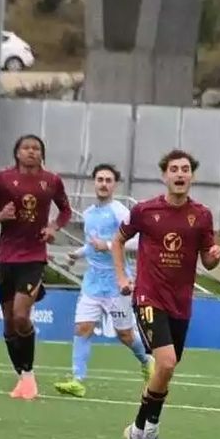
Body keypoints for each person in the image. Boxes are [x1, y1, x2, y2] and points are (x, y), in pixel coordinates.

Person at [111, 149, 220, 439]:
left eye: (185, 169)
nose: (180, 174)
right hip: (148, 297)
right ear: (164, 176)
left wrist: (214, 258)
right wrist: (122, 276)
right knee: (166, 363)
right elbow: (118, 240)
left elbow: (207, 260)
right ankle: (150, 428)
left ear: (192, 176)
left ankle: (139, 426)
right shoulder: (145, 211)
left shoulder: (201, 216)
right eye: (174, 169)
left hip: (181, 302)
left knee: (166, 371)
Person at [0, 133, 71, 400]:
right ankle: (21, 376)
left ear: (42, 153)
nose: (31, 151)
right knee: (8, 323)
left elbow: (65, 211)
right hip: (6, 257)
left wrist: (53, 227)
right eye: (26, 148)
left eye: (36, 148)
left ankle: (28, 376)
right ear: (17, 153)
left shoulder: (52, 181)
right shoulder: (2, 179)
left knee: (20, 315)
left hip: (34, 256)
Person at [55, 163, 151, 397]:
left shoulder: (120, 212)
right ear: (94, 183)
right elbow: (92, 245)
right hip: (92, 282)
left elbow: (137, 241)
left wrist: (108, 245)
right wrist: (77, 254)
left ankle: (147, 361)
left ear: (114, 185)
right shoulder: (89, 213)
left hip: (117, 283)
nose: (104, 184)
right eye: (100, 179)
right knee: (83, 328)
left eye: (108, 180)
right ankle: (77, 380)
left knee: (124, 334)